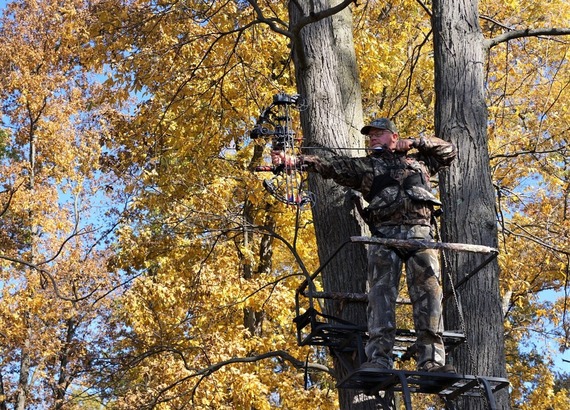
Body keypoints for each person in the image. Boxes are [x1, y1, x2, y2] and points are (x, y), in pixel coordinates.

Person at [271, 118, 457, 372]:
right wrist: (293, 161)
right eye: (370, 137)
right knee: (380, 298)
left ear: (394, 136)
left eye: (378, 134)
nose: (372, 139)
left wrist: (415, 141)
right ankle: (379, 360)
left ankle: (432, 362)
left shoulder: (421, 162)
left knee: (430, 298)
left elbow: (449, 151)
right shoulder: (367, 166)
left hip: (420, 234)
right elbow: (332, 165)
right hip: (383, 236)